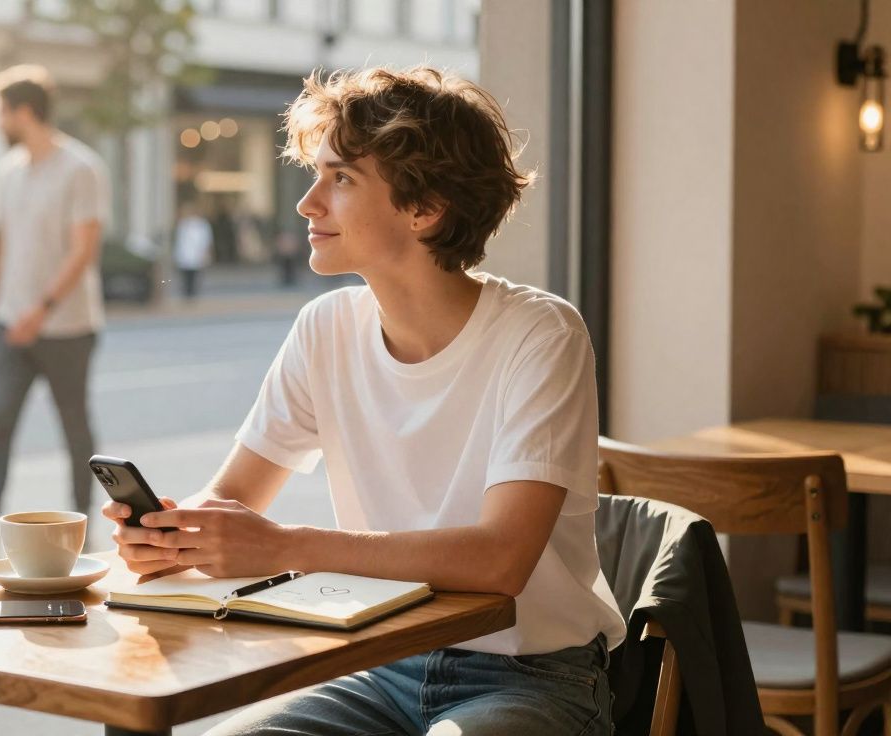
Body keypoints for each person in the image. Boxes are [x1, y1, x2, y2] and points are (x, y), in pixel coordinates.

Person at [104, 66, 626, 735]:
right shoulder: (325, 328)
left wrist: (285, 546)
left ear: (425, 207)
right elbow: (232, 497)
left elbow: (500, 560)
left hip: (532, 677)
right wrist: (174, 536)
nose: (307, 203)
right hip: (379, 662)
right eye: (315, 175)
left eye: (342, 179)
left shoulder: (541, 334)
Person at [0, 65, 109, 566]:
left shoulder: (81, 167)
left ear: (24, 112)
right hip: (8, 324)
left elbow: (83, 251)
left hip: (67, 326)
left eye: (1, 112)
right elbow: (1, 246)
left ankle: (81, 525)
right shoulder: (7, 170)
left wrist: (43, 309)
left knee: (74, 428)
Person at [173, 200, 213, 299]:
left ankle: (192, 292)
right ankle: (187, 291)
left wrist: (206, 252)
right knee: (185, 274)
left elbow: (206, 239)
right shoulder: (182, 224)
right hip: (184, 254)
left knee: (194, 274)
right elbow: (179, 241)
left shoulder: (201, 224)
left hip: (196, 253)